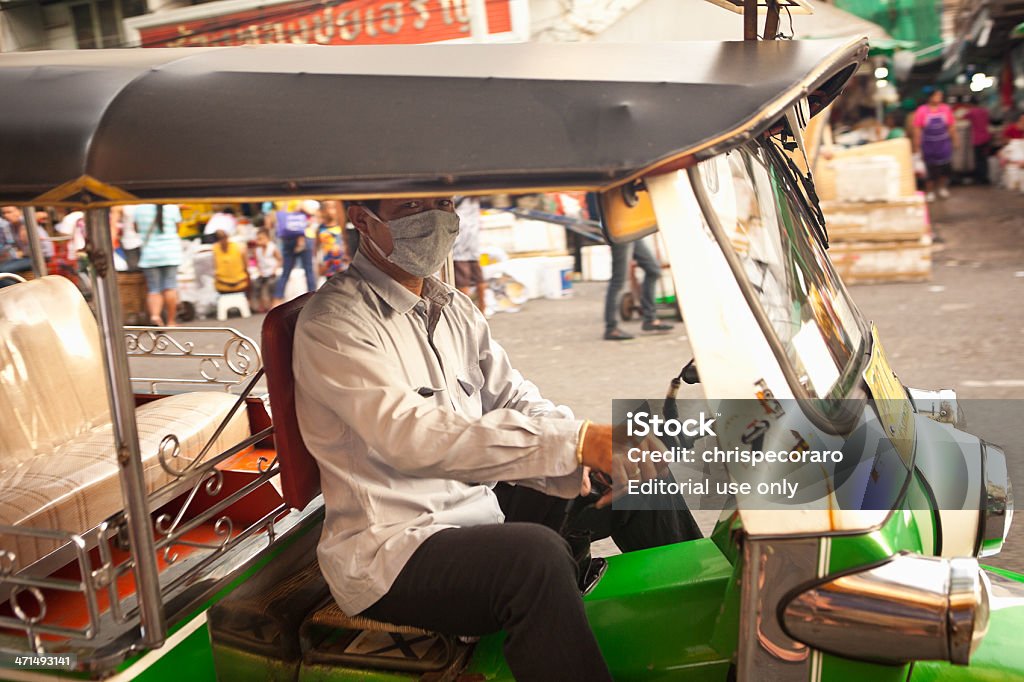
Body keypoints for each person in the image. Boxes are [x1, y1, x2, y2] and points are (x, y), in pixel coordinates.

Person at [293, 196, 620, 680]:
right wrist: (572, 442)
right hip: (391, 549)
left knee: (639, 475)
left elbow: (514, 397)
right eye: (411, 206)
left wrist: (585, 444)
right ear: (362, 219)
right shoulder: (335, 323)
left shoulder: (454, 307)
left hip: (475, 508)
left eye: (442, 203)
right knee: (535, 560)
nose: (435, 218)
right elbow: (412, 436)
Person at [135, 204, 183, 326]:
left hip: (149, 254)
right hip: (170, 253)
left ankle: (155, 316)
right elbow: (178, 228)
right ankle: (171, 321)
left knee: (154, 288)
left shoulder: (139, 208)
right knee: (170, 286)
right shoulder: (172, 207)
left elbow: (136, 228)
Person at [912, 90, 958, 201]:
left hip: (944, 144)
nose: (939, 97)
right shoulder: (922, 111)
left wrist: (955, 140)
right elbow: (917, 130)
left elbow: (951, 127)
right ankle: (930, 191)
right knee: (930, 170)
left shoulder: (946, 109)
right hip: (928, 145)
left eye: (940, 95)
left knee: (945, 168)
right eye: (936, 95)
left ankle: (942, 188)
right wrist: (916, 146)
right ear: (930, 97)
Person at [271, 200, 319, 307]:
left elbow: (276, 217)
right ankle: (313, 298)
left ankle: (277, 299)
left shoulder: (279, 200)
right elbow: (310, 212)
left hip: (287, 238)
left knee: (285, 272)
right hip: (304, 237)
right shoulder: (299, 198)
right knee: (309, 270)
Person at [452, 196, 487, 313]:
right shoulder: (474, 195)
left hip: (461, 237)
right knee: (478, 276)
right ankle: (483, 308)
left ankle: (465, 312)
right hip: (473, 236)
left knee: (462, 278)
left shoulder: (459, 195)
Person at [315, 200, 349, 279]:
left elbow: (345, 242)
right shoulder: (320, 229)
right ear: (323, 211)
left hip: (341, 263)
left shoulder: (340, 226)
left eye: (334, 208)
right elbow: (316, 247)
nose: (332, 211)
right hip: (328, 264)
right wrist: (318, 264)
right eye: (329, 208)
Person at [251, 227, 282, 313]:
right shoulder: (257, 250)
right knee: (256, 284)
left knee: (271, 284)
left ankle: (272, 303)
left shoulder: (272, 247)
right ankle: (259, 304)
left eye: (261, 239)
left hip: (272, 271)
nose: (259, 241)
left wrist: (275, 270)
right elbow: (257, 262)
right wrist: (259, 271)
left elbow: (279, 259)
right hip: (263, 272)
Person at [212, 229, 250, 296]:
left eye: (224, 237)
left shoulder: (239, 247)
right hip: (222, 286)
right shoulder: (214, 250)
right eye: (220, 238)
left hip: (240, 284)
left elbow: (246, 266)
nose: (223, 241)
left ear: (227, 237)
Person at [965, 97, 992, 185]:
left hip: (977, 139)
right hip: (986, 137)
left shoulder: (972, 112)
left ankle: (979, 179)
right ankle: (985, 178)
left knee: (978, 160)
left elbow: (962, 117)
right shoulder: (984, 111)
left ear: (970, 104)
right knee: (984, 159)